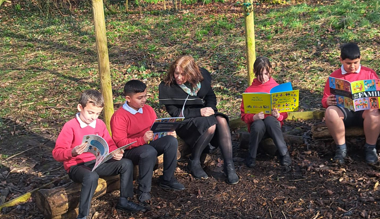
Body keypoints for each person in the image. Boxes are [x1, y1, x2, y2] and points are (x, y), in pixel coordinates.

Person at [52, 90, 146, 219]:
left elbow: (109, 143)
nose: (93, 117)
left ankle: (124, 200)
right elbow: (57, 153)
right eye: (90, 113)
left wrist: (115, 153)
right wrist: (72, 152)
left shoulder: (99, 124)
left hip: (97, 162)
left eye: (97, 113)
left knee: (126, 163)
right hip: (77, 165)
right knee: (91, 176)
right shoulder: (70, 126)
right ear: (79, 107)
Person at [158, 55, 239, 185]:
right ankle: (194, 161)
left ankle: (229, 166)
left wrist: (211, 108)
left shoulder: (202, 79)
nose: (178, 77)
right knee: (211, 125)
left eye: (183, 74)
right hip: (184, 120)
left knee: (221, 120)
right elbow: (174, 112)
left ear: (191, 73)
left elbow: (211, 96)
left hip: (204, 116)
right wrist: (199, 112)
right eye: (176, 73)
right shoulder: (168, 86)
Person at [111, 80, 185, 203]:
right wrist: (142, 140)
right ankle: (144, 190)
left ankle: (167, 179)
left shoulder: (148, 109)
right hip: (129, 151)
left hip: (147, 144)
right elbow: (120, 143)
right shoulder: (119, 116)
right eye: (140, 98)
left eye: (145, 96)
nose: (144, 100)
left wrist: (166, 132)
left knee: (171, 141)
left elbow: (154, 130)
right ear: (128, 98)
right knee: (148, 151)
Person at [322, 43, 380, 165]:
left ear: (360, 59)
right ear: (341, 60)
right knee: (330, 112)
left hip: (364, 112)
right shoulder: (334, 76)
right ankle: (341, 149)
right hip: (344, 112)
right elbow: (325, 98)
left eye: (356, 63)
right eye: (348, 63)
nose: (352, 66)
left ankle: (370, 148)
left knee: (375, 111)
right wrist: (327, 101)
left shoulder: (369, 73)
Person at [240, 56, 292, 169]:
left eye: (265, 74)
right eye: (260, 74)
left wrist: (279, 115)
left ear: (270, 72)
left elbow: (285, 112)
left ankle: (284, 153)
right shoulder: (249, 91)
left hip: (273, 125)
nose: (263, 77)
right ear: (255, 72)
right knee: (258, 124)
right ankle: (251, 155)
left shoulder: (277, 88)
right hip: (257, 128)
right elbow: (244, 115)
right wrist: (254, 117)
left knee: (269, 120)